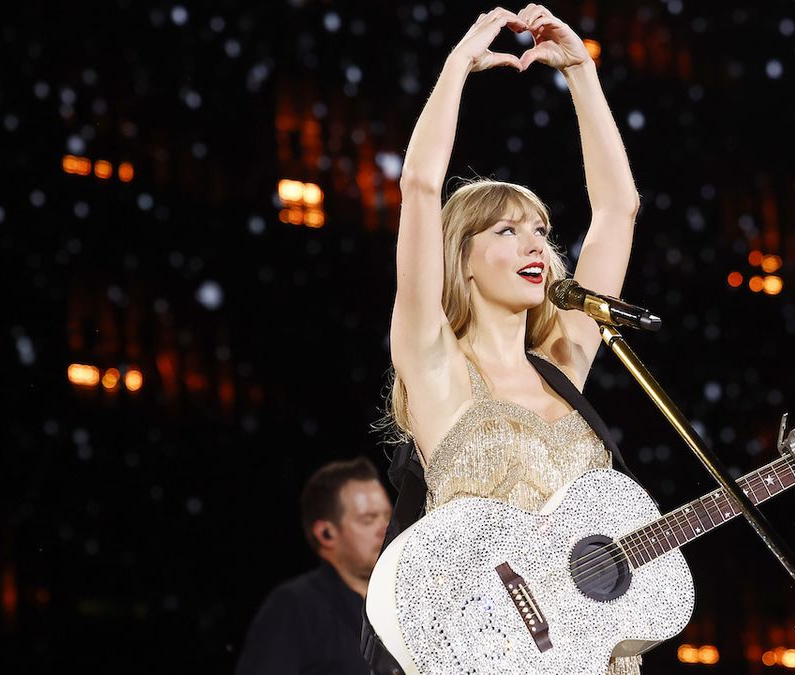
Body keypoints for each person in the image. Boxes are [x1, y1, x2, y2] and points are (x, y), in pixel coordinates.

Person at [367, 5, 645, 674]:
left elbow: (618, 208)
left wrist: (581, 72)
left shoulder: (563, 362)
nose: (536, 245)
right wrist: (458, 64)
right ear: (458, 259)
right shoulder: (436, 365)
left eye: (542, 231)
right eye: (507, 230)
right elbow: (420, 184)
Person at [237, 457, 392, 675]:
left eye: (388, 516)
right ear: (326, 534)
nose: (385, 529)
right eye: (368, 519)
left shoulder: (402, 600)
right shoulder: (293, 607)